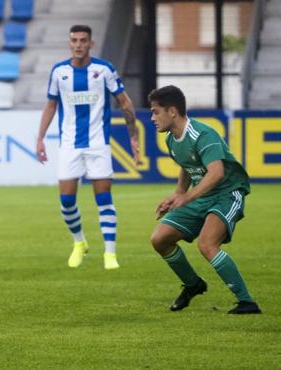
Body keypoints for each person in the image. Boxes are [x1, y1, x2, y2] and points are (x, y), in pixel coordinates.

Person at [148, 85, 261, 314]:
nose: (152, 118)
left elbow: (217, 173)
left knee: (207, 244)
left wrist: (188, 196)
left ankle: (247, 302)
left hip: (227, 193)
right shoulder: (172, 140)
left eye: (155, 112)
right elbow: (188, 166)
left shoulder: (202, 133)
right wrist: (178, 194)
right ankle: (193, 284)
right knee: (160, 239)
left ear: (172, 111)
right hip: (203, 194)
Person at [36, 25, 140, 270]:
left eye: (83, 40)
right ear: (69, 43)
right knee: (66, 201)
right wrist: (40, 137)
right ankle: (79, 242)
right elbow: (51, 105)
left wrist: (133, 136)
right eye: (74, 40)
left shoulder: (104, 70)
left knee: (104, 198)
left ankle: (110, 253)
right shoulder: (59, 71)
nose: (79, 44)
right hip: (69, 145)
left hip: (98, 144)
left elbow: (124, 102)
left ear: (91, 43)